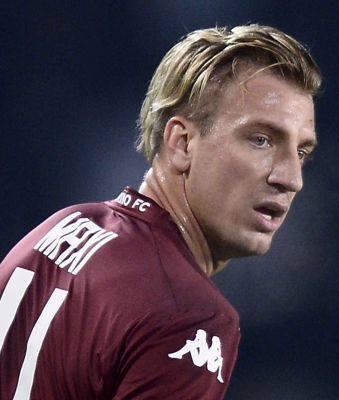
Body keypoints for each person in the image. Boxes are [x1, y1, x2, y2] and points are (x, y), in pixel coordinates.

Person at [0, 24, 321, 399]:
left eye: (301, 152)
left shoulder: (63, 228)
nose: (291, 179)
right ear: (182, 143)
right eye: (261, 140)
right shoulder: (190, 315)